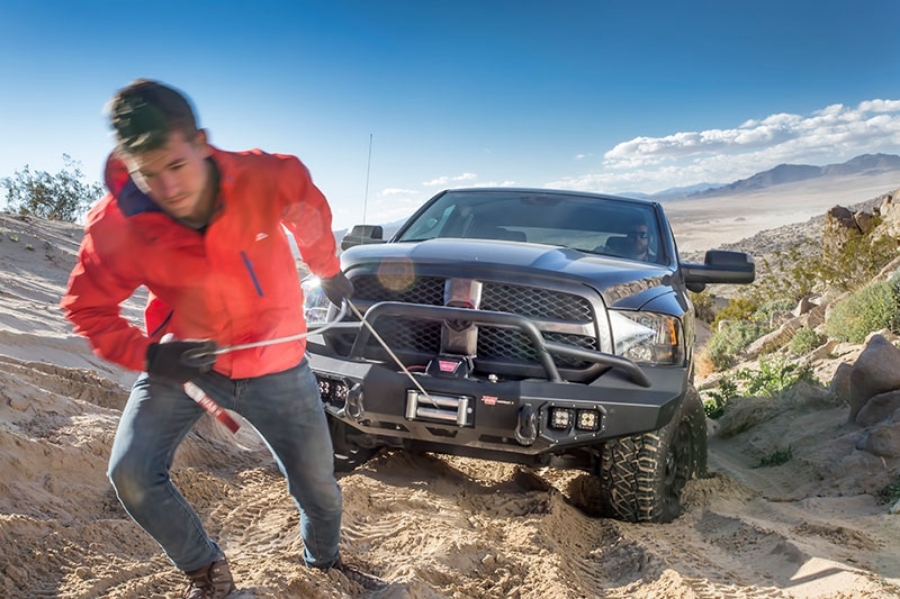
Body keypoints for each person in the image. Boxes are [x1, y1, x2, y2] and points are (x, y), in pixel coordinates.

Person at [61, 79, 382, 598]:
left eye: (175, 165)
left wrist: (326, 267)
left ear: (202, 142)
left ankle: (325, 565)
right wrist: (148, 355)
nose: (166, 189)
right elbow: (87, 308)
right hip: (182, 367)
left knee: (318, 487)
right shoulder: (118, 222)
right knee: (133, 472)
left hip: (278, 364)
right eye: (147, 174)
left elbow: (307, 209)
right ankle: (209, 576)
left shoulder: (267, 176)